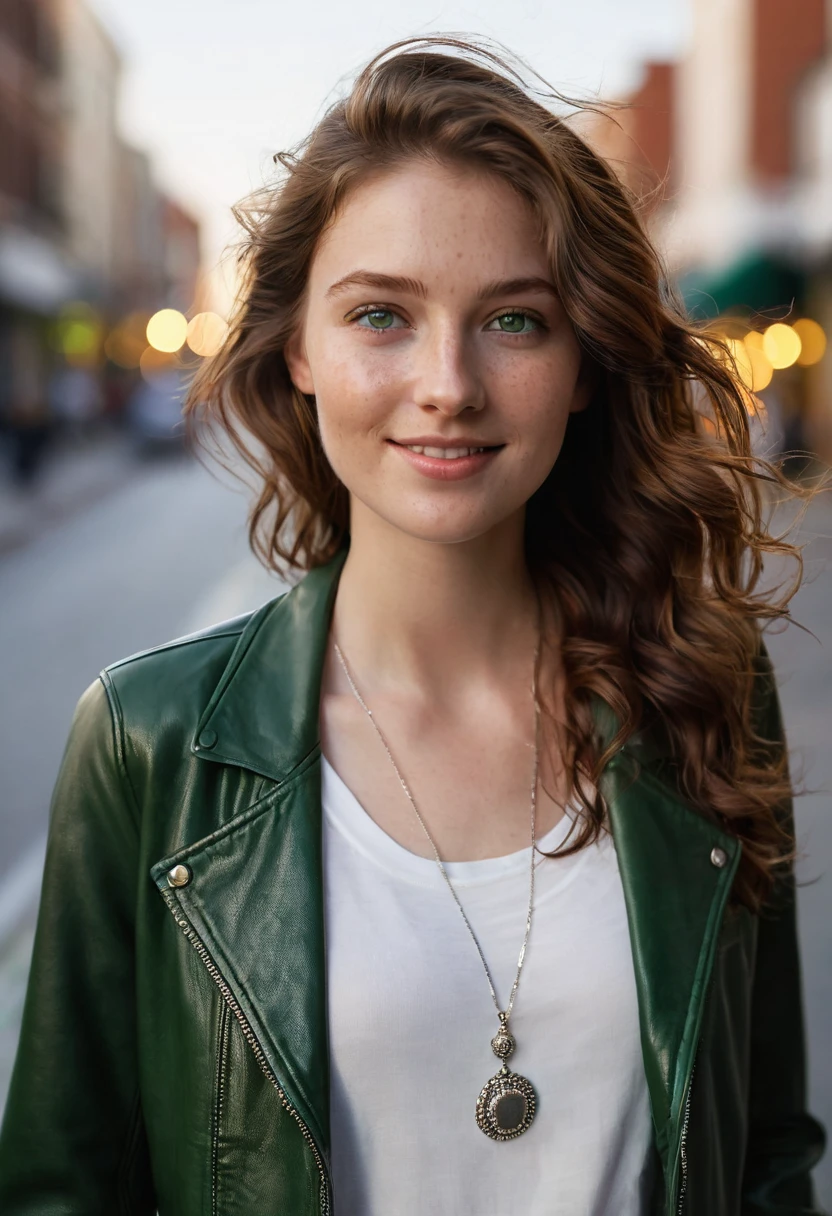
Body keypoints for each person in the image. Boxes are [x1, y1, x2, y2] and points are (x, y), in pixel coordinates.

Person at [0, 37, 826, 1216]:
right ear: (297, 348)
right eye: (381, 314)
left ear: (585, 360)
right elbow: (59, 1192)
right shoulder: (151, 742)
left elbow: (765, 1155)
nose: (448, 383)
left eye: (515, 321)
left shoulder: (697, 682)